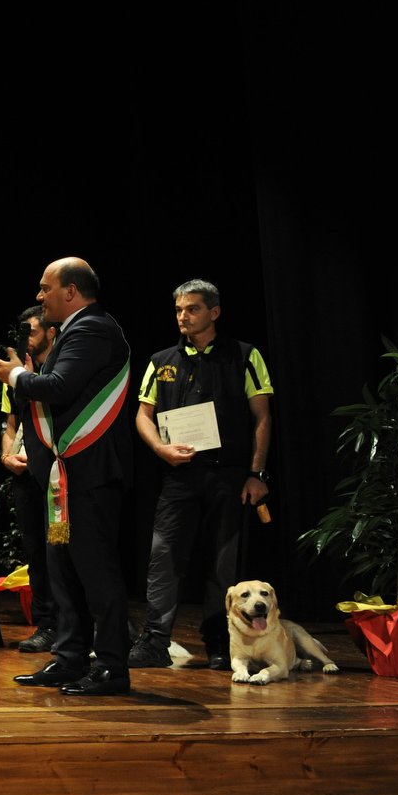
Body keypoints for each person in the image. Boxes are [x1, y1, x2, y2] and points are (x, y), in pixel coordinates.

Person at [0, 257, 136, 697]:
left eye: (45, 288)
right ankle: (70, 657)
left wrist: (16, 375)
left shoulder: (92, 328)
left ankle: (111, 666)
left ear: (70, 291)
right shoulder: (75, 330)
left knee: (96, 572)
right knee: (64, 572)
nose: (40, 296)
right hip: (66, 475)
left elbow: (59, 387)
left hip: (90, 473)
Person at [130, 279, 275, 670]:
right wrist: (160, 448)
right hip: (180, 477)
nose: (183, 316)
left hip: (228, 476)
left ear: (214, 312)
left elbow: (262, 416)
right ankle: (155, 641)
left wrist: (257, 472)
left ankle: (220, 643)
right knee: (164, 556)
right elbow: (143, 415)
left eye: (192, 309)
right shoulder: (162, 361)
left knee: (222, 563)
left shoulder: (244, 355)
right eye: (179, 309)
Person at [0, 305, 59, 653]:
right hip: (26, 477)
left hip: (59, 476)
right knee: (36, 554)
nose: (26, 339)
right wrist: (7, 456)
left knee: (62, 553)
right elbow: (10, 426)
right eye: (22, 333)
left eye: (32, 332)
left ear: (51, 333)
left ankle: (80, 625)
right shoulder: (15, 376)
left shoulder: (59, 372)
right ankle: (46, 625)